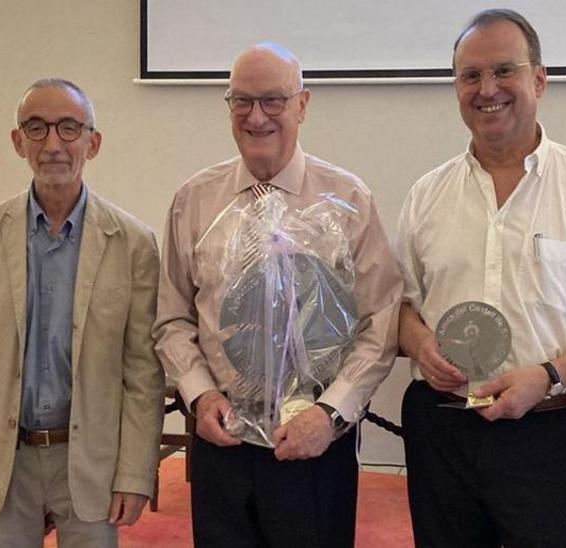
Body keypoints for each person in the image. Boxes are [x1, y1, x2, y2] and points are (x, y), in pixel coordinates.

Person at [394, 9, 566, 546]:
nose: (486, 89)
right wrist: (420, 343)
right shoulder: (427, 194)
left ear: (539, 79)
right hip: (442, 429)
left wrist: (548, 374)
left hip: (550, 432)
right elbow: (400, 304)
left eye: (503, 71)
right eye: (470, 76)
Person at [153, 43, 402, 547]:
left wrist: (330, 412)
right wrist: (199, 394)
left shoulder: (348, 200)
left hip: (316, 441)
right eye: (241, 101)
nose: (256, 116)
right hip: (220, 439)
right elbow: (172, 318)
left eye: (273, 100)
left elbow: (380, 319)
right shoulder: (194, 200)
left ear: (302, 105)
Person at [0, 79, 164, 547]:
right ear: (18, 141)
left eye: (69, 128)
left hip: (91, 461)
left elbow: (142, 371)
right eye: (36, 128)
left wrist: (136, 473)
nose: (53, 144)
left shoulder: (133, 243)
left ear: (92, 143)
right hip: (4, 461)